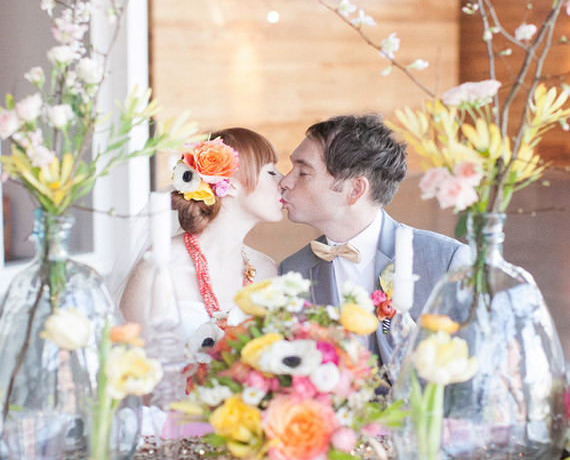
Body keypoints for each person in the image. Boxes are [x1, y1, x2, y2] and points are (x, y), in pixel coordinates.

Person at [278, 113, 470, 365]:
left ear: (355, 189)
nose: (285, 181)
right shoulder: (293, 271)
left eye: (303, 172)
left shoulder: (445, 261)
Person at [120, 127, 283, 337]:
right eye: (271, 172)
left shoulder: (267, 270)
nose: (284, 181)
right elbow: (129, 348)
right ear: (231, 184)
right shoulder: (161, 263)